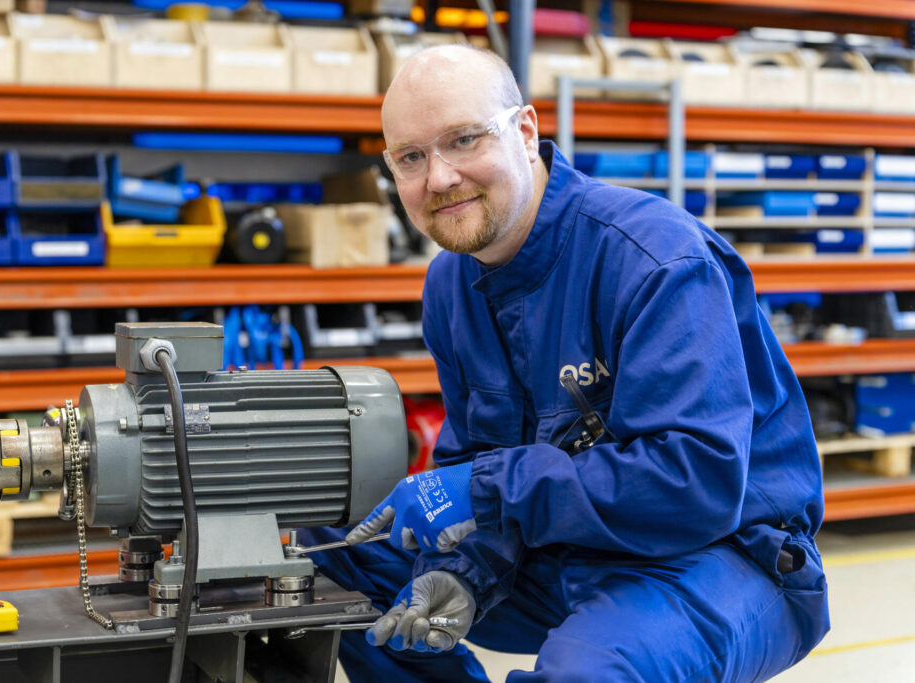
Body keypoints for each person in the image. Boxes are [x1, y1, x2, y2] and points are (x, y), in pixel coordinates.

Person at [298, 44, 830, 682]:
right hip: (570, 549)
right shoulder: (450, 286)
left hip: (723, 556)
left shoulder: (654, 258)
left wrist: (489, 489)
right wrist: (463, 571)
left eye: (464, 140)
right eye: (411, 157)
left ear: (525, 131)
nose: (438, 178)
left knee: (589, 671)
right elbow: (483, 466)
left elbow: (698, 483)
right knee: (328, 557)